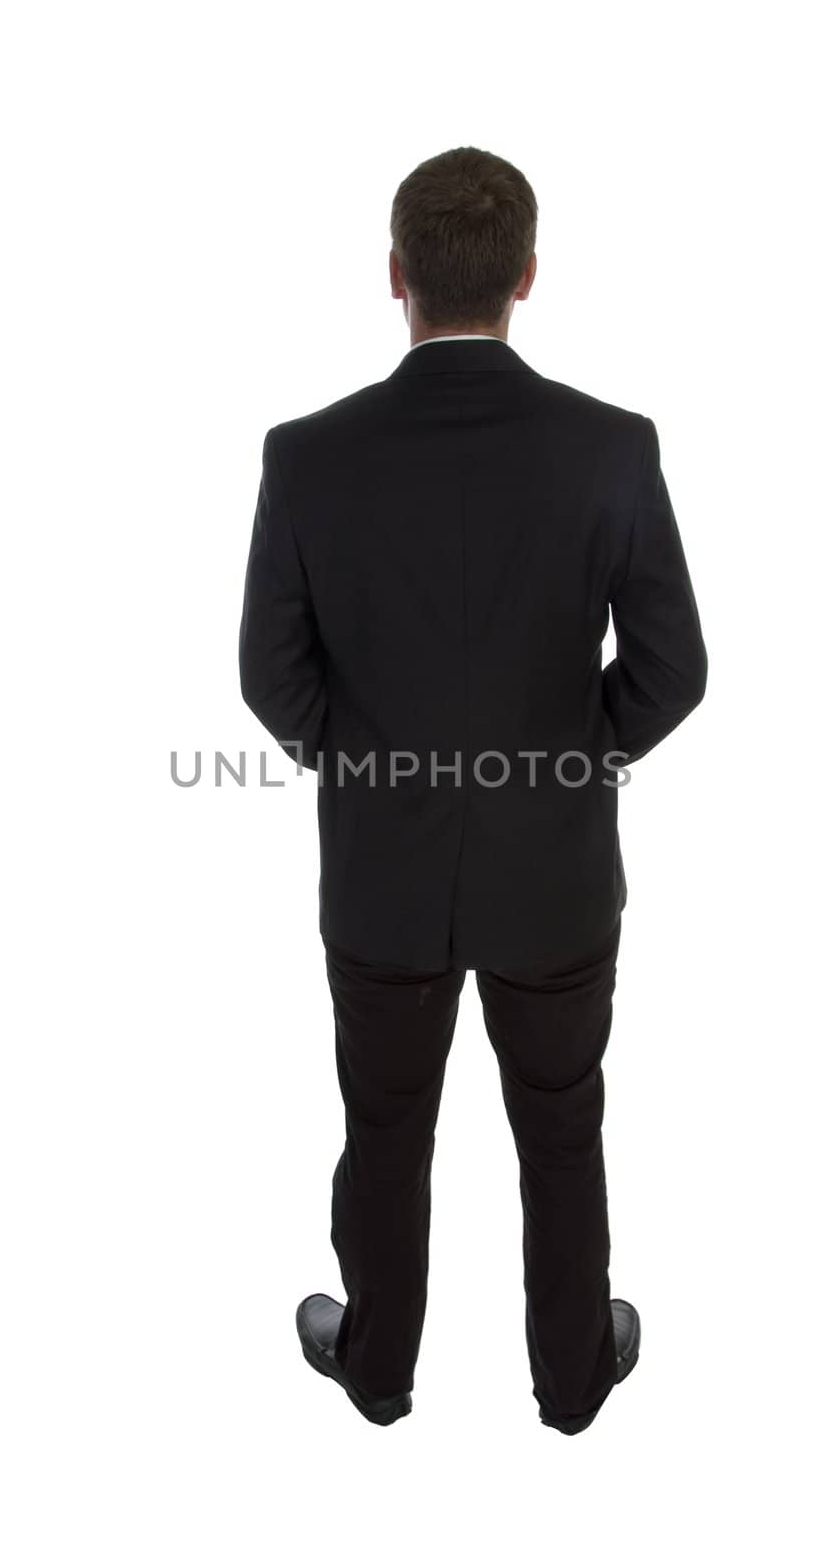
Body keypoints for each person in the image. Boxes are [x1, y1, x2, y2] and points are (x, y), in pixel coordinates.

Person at [238, 145, 707, 1434]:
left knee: (383, 1129)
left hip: (383, 879)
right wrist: (562, 762)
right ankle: (572, 1379)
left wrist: (384, 774)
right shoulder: (613, 450)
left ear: (395, 276)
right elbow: (673, 671)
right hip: (553, 878)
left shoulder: (308, 456)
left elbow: (270, 678)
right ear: (527, 278)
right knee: (563, 1130)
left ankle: (378, 1369)